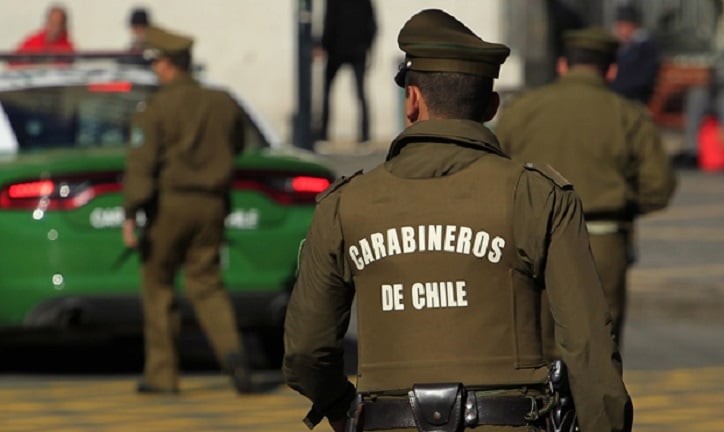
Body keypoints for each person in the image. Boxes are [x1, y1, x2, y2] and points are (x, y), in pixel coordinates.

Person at [284, 9, 633, 432]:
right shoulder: (535, 195)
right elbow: (589, 347)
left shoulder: (345, 204)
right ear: (490, 105)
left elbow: (305, 351)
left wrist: (342, 408)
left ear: (411, 99)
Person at [496, 27, 677, 349]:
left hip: (533, 241)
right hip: (602, 240)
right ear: (611, 70)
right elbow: (658, 187)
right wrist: (623, 202)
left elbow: (494, 171)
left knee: (535, 348)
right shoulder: (627, 115)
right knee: (596, 351)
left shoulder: (520, 110)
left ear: (562, 65)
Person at [122, 25, 253, 395]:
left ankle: (162, 375)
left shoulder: (156, 108)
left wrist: (131, 212)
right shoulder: (222, 101)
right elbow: (239, 144)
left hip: (170, 205)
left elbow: (141, 166)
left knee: (159, 285)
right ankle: (233, 355)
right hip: (213, 204)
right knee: (208, 284)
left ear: (166, 65)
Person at [317, 0, 377, 143]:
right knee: (360, 93)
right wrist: (367, 48)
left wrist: (324, 45)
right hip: (357, 50)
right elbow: (372, 26)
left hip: (336, 50)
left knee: (327, 92)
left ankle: (324, 134)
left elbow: (329, 22)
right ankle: (365, 134)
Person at [610, 4, 661, 104]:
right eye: (618, 26)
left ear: (633, 26)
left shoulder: (645, 47)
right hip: (621, 95)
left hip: (635, 98)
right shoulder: (621, 47)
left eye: (622, 26)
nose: (618, 31)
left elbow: (641, 80)